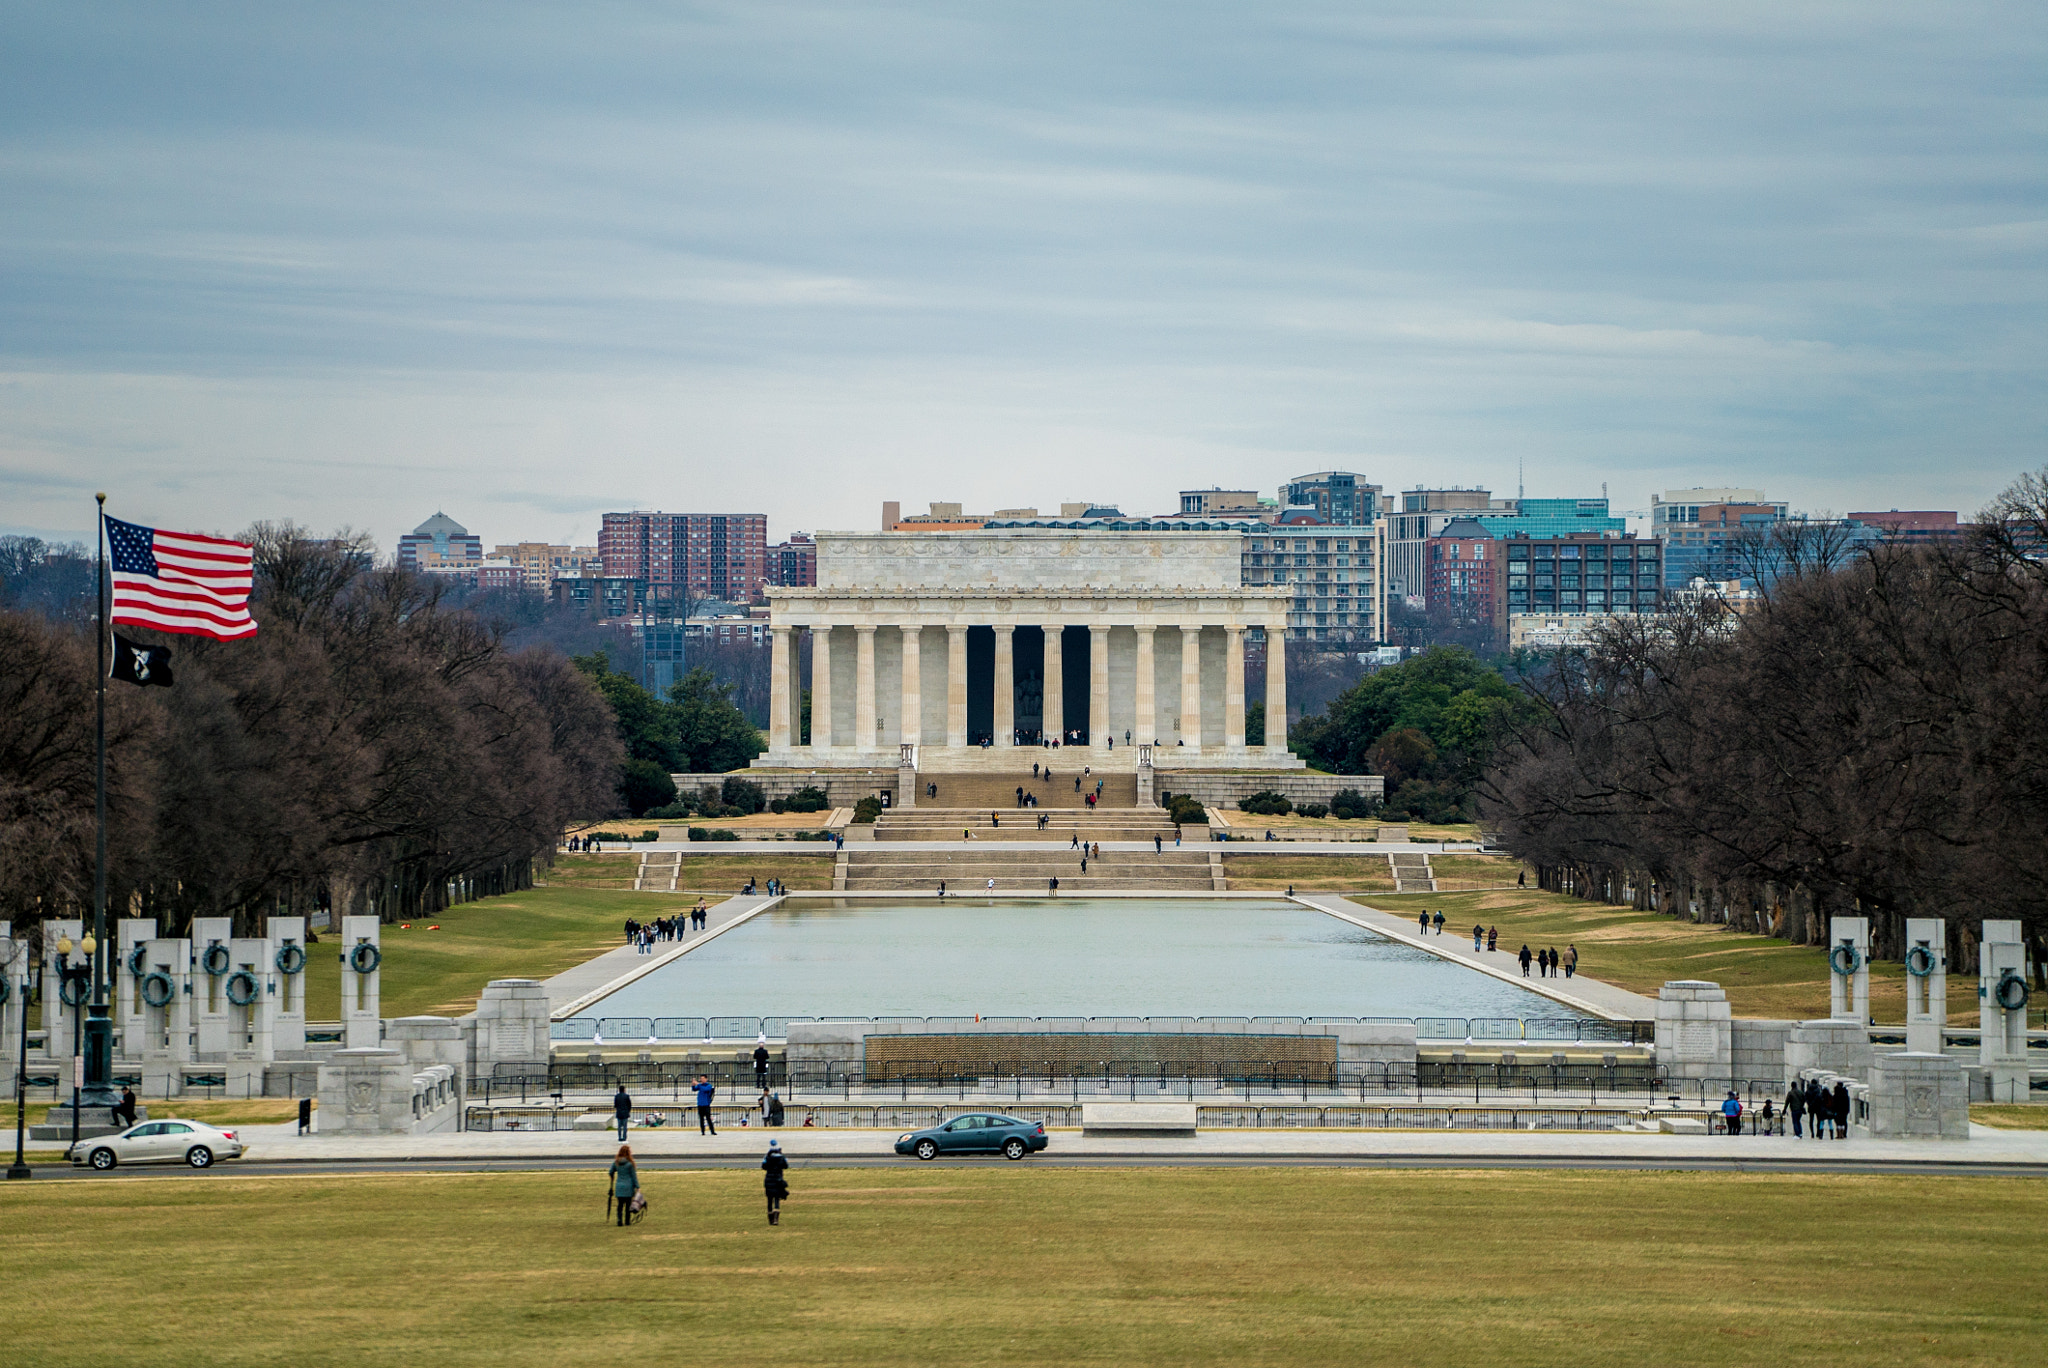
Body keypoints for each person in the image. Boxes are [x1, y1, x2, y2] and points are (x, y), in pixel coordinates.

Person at [608, 1144, 640, 1227]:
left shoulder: (616, 1162)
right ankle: (627, 1220)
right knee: (628, 1205)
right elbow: (633, 1176)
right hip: (628, 1186)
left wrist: (612, 1177)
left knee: (620, 1205)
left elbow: (610, 1172)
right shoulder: (630, 1164)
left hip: (619, 1186)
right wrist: (637, 1187)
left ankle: (619, 1220)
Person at [762, 1139, 790, 1225]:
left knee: (769, 1200)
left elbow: (764, 1166)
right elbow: (786, 1166)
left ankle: (770, 1219)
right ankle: (776, 1219)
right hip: (778, 1179)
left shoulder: (767, 1157)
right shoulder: (782, 1157)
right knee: (777, 1199)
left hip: (769, 1180)